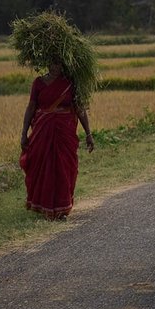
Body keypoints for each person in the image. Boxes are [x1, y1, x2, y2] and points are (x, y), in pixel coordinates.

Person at [20, 60, 94, 219]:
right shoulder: (38, 83)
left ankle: (62, 208)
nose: (55, 67)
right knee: (42, 166)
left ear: (63, 66)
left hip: (64, 131)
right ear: (48, 64)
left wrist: (89, 134)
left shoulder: (70, 83)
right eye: (52, 64)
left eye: (59, 64)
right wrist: (24, 132)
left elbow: (80, 109)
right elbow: (31, 107)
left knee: (65, 167)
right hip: (43, 130)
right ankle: (45, 205)